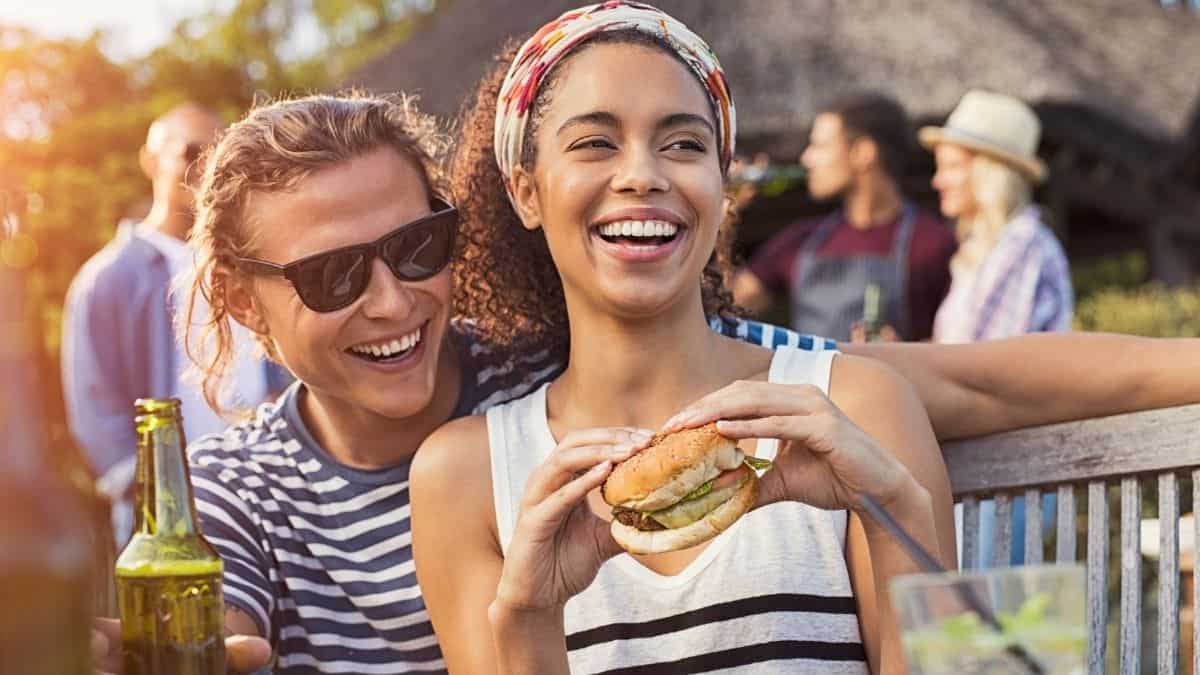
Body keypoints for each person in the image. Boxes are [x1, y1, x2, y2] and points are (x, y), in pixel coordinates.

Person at [87, 89, 1200, 674]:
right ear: (240, 305)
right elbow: (205, 622)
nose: (392, 302)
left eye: (420, 248)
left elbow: (985, 388)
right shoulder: (237, 492)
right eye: (333, 276)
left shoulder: (558, 382)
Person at [410, 5, 957, 672]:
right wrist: (528, 616)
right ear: (525, 190)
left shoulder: (857, 409)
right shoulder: (464, 477)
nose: (644, 174)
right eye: (594, 143)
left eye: (684, 145)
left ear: (721, 187)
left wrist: (894, 510)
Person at [61, 103, 291, 482]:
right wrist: (153, 489)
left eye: (220, 153)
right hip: (176, 503)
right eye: (192, 151)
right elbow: (95, 406)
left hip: (265, 482)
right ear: (151, 161)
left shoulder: (252, 260)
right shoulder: (108, 278)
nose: (208, 165)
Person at [921, 89, 1073, 567]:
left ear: (987, 171)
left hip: (1012, 467)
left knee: (979, 623)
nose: (937, 180)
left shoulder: (1021, 246)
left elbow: (989, 371)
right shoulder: (985, 253)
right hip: (989, 469)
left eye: (950, 166)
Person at [733, 93, 956, 342]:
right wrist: (724, 213)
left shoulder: (934, 245)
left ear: (862, 153)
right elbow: (727, 307)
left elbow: (958, 346)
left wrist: (902, 354)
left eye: (819, 146)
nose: (807, 159)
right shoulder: (800, 241)